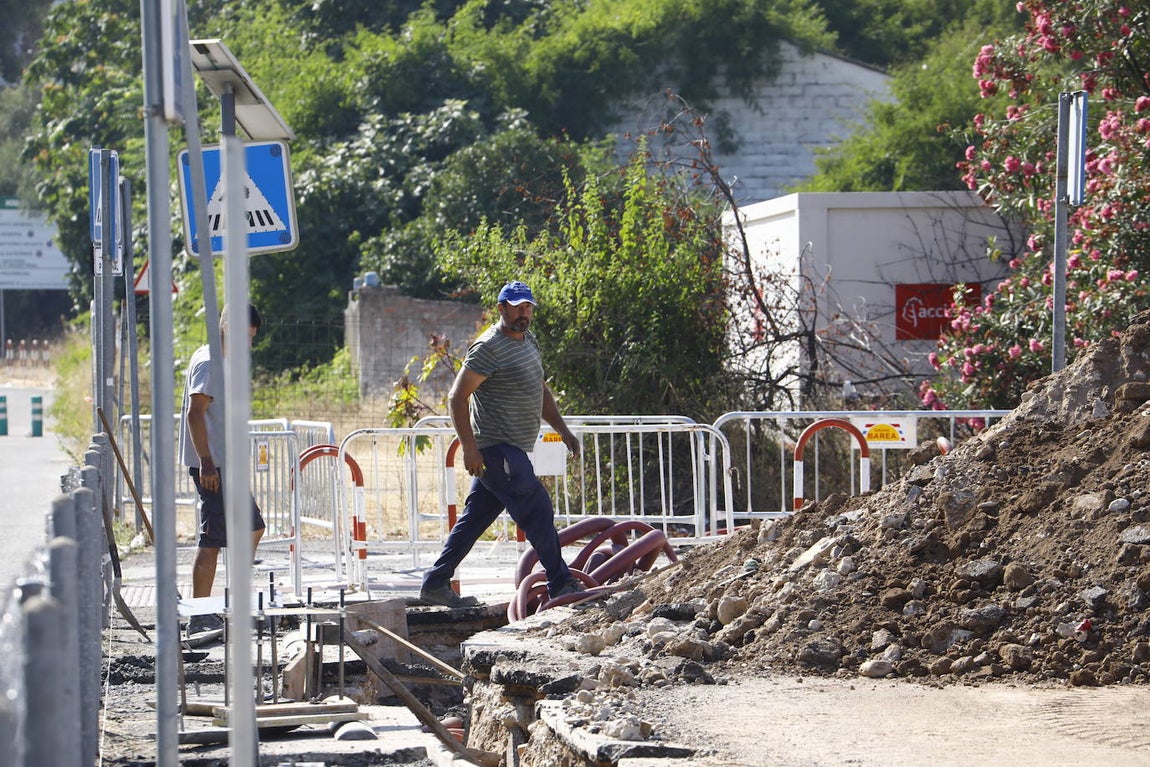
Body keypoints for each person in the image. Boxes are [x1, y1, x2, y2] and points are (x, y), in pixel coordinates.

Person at [420, 280, 583, 608]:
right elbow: (457, 397)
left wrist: (563, 430)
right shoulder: (488, 347)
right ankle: (561, 582)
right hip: (496, 449)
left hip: (512, 449)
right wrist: (469, 447)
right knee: (537, 507)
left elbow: (540, 392)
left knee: (475, 520)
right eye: (518, 306)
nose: (524, 313)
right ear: (501, 308)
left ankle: (436, 584)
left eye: (528, 307)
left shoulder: (528, 341)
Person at [179, 303, 267, 637]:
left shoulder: (219, 359)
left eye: (251, 339)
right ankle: (200, 615)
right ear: (226, 325)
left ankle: (230, 604)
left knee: (252, 527)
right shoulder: (210, 362)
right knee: (212, 539)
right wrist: (206, 462)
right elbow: (194, 412)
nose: (248, 345)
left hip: (222, 465)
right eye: (244, 336)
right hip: (213, 466)